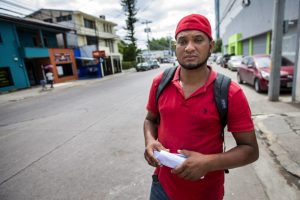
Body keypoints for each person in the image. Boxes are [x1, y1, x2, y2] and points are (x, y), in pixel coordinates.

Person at [143, 14, 259, 200]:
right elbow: (150, 120)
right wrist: (150, 141)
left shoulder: (229, 92)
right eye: (182, 41)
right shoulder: (160, 83)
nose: (189, 47)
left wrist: (208, 162)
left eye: (198, 40)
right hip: (162, 187)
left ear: (211, 46)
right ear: (176, 47)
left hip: (206, 193)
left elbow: (250, 150)